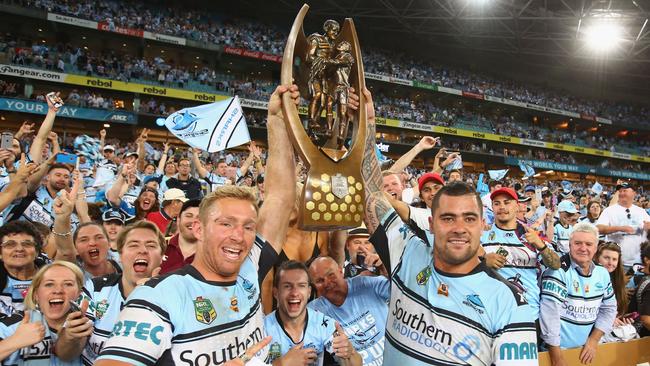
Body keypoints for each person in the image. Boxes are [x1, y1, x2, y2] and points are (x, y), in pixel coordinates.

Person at [95, 84, 299, 365]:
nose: (238, 236)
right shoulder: (159, 297)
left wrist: (277, 121)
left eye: (248, 226)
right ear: (199, 229)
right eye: (226, 224)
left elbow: (281, 197)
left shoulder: (249, 268)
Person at [351, 87, 537, 365]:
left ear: (482, 225)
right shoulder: (406, 252)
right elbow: (371, 192)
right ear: (432, 223)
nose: (459, 227)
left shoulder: (509, 302)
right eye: (448, 218)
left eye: (469, 218)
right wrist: (365, 122)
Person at [55, 221, 166, 365]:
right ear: (120, 254)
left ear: (162, 255)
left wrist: (145, 296)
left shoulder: (174, 296)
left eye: (151, 245)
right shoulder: (95, 289)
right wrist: (71, 336)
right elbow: (65, 353)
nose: (143, 250)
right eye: (133, 245)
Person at [540, 222, 617, 365]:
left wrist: (594, 340)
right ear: (569, 244)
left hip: (584, 350)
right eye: (578, 243)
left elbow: (609, 309)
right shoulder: (557, 272)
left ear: (596, 248)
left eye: (588, 244)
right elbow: (549, 317)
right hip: (555, 352)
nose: (583, 248)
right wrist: (557, 358)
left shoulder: (602, 273)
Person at [481, 186, 560, 318]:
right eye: (497, 203)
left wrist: (540, 245)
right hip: (492, 312)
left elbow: (556, 264)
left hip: (527, 313)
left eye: (507, 203)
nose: (501, 207)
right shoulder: (482, 236)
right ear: (492, 207)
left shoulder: (530, 235)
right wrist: (483, 261)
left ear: (517, 207)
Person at [265, 260, 361, 366]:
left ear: (309, 292)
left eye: (301, 285)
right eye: (287, 286)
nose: (295, 293)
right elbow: (245, 360)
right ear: (276, 293)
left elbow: (355, 364)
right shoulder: (262, 328)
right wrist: (281, 364)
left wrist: (350, 352)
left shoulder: (324, 323)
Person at [0, 261, 92, 365]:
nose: (58, 290)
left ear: (78, 294)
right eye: (49, 284)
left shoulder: (90, 326)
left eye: (68, 284)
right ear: (36, 294)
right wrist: (14, 341)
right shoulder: (15, 325)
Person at [308, 256, 389, 366]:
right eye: (319, 281)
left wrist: (385, 268)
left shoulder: (368, 284)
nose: (327, 283)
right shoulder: (314, 311)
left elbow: (404, 292)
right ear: (314, 286)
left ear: (341, 272)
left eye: (331, 275)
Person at [596, 182, 650, 270]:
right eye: (620, 191)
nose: (622, 193)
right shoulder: (609, 211)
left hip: (638, 262)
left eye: (625, 190)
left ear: (634, 193)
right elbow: (598, 228)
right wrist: (620, 228)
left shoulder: (641, 211)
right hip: (616, 262)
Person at [0, 221, 50, 316]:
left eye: (27, 244)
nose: (19, 249)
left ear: (37, 251)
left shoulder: (52, 276)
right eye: (10, 244)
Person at [159, 199, 200, 274]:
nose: (193, 221)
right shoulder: (160, 246)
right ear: (178, 219)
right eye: (188, 216)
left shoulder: (212, 254)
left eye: (199, 217)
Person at [594, 242, 629, 318]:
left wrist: (623, 319)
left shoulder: (618, 280)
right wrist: (610, 319)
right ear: (598, 258)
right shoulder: (590, 277)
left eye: (614, 259)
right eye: (606, 258)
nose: (610, 263)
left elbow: (618, 311)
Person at [629, 244, 650, 337]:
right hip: (642, 338)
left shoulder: (645, 279)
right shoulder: (647, 283)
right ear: (647, 260)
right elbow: (646, 319)